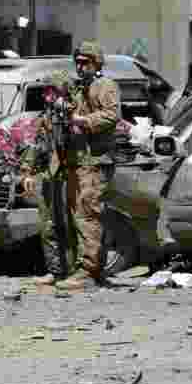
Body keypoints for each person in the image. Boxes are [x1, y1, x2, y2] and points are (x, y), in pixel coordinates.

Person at [46, 42, 120, 290]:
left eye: (85, 62)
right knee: (79, 216)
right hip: (78, 161)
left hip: (95, 162)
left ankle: (88, 271)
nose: (80, 66)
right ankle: (87, 268)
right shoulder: (80, 87)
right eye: (77, 62)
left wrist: (82, 120)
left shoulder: (104, 86)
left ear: (97, 62)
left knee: (88, 215)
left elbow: (111, 115)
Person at [21, 70, 79, 286]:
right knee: (48, 224)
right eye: (45, 90)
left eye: (50, 90)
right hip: (49, 175)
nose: (46, 94)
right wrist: (27, 171)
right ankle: (55, 271)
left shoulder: (74, 114)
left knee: (69, 223)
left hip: (70, 173)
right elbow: (36, 146)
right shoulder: (46, 117)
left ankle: (75, 271)